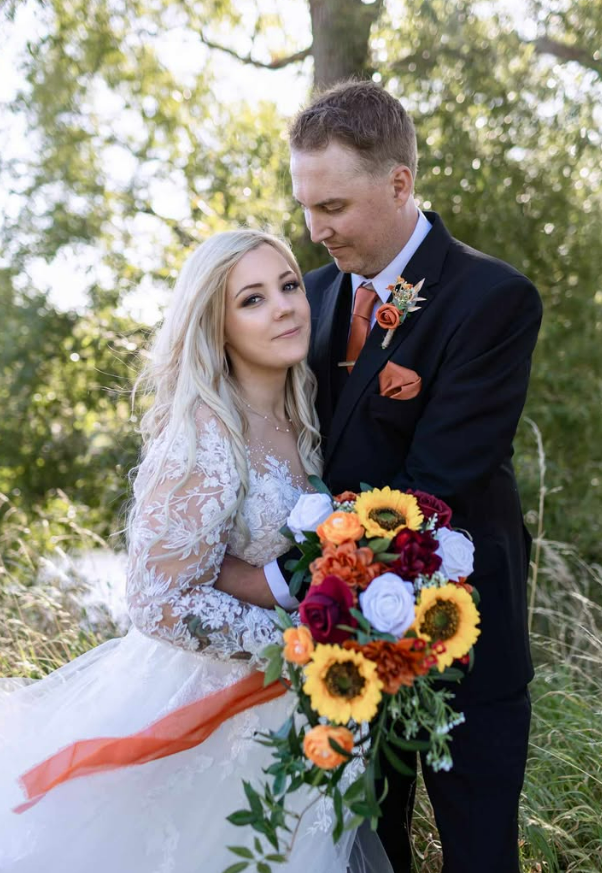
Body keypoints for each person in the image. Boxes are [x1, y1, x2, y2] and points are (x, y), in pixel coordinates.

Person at [219, 82, 543, 873]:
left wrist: (269, 578)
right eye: (306, 206)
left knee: (478, 854)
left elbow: (429, 486)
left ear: (398, 184)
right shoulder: (311, 295)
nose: (315, 229)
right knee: (366, 849)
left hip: (459, 637)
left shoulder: (491, 299)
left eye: (333, 205)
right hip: (337, 649)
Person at [0, 229, 390, 872]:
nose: (286, 308)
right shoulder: (206, 434)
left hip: (293, 720)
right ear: (218, 325)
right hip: (205, 711)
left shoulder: (303, 413)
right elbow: (157, 601)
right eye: (253, 300)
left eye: (290, 286)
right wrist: (296, 646)